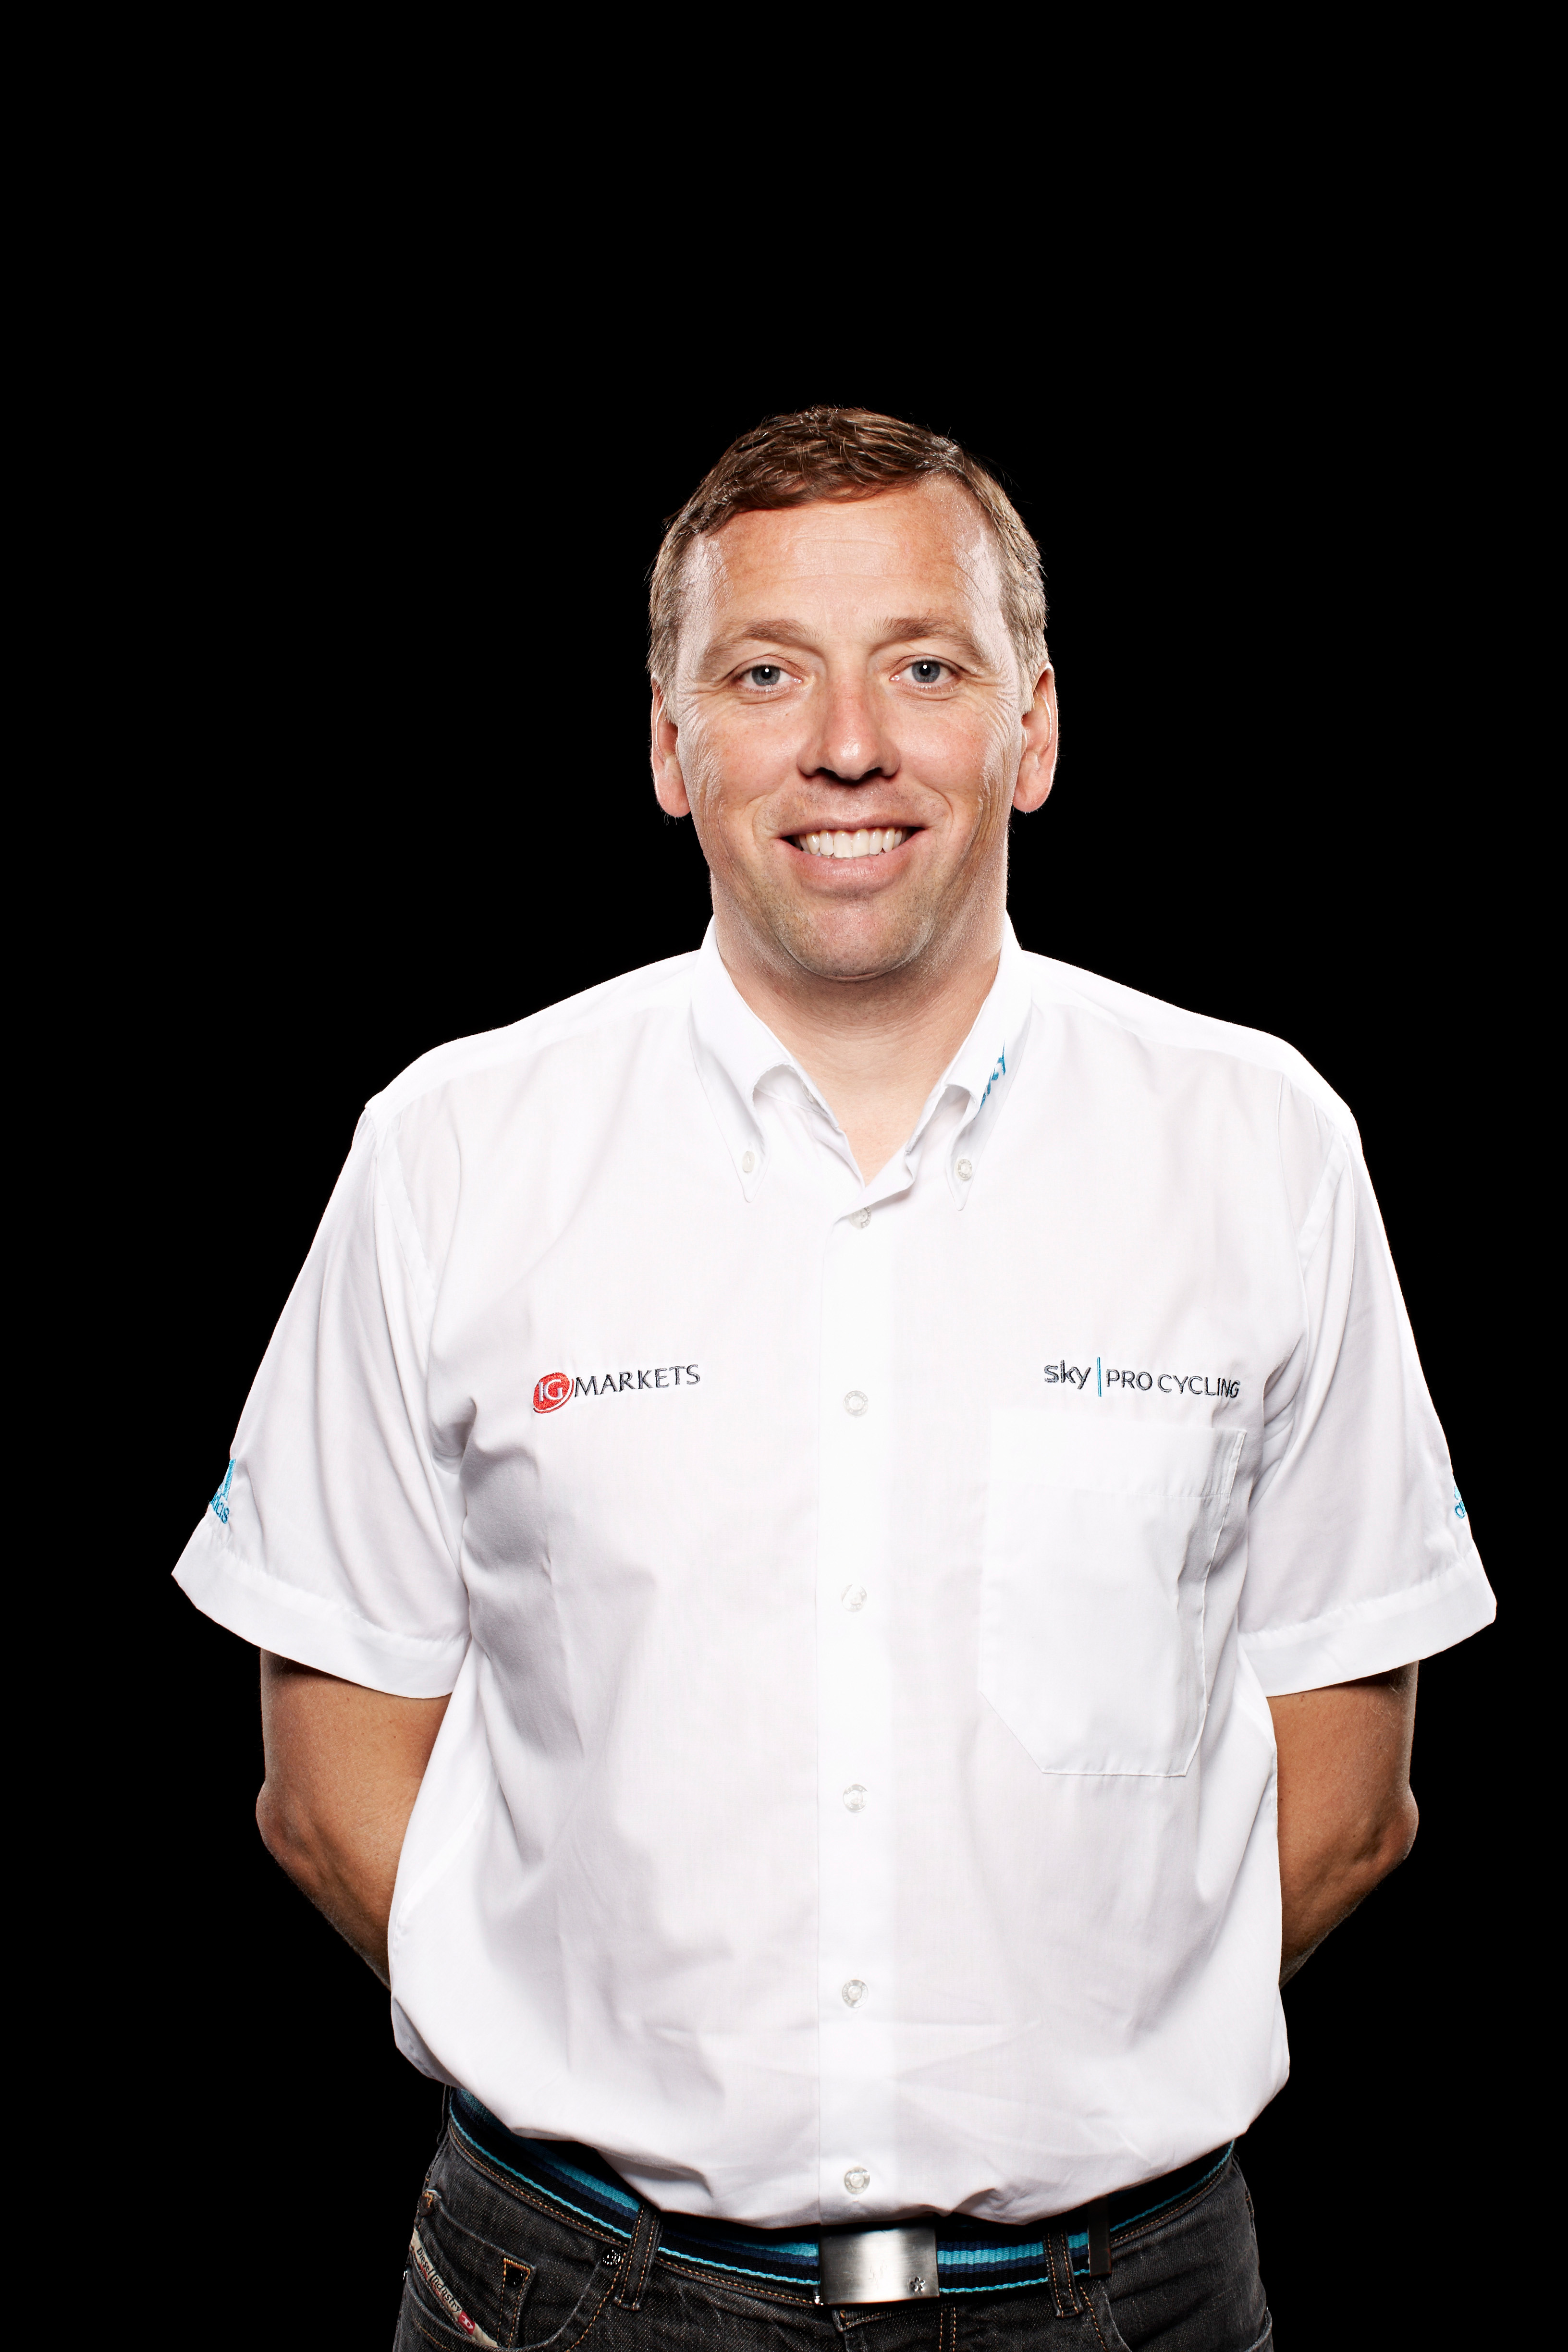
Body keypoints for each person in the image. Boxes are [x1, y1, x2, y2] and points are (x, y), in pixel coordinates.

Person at [174, 407, 1494, 2351]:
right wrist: (615, 2058)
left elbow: (1354, 1795)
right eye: (767, 674)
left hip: (1124, 2306)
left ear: (1035, 730)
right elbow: (323, 1782)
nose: (849, 744)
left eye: (927, 668)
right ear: (670, 745)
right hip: (572, 2298)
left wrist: (1068, 2068)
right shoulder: (453, 1150)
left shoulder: (1259, 1146)